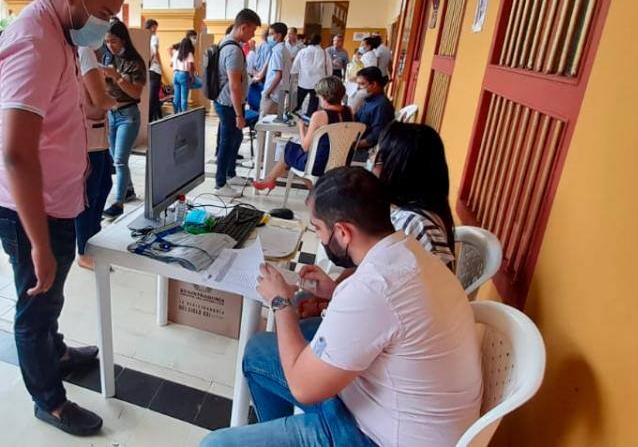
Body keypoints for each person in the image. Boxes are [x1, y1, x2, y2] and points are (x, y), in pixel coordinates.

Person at [200, 167, 483, 447]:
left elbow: (303, 387)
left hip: (376, 435)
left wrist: (280, 302)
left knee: (214, 445)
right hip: (403, 413)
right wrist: (335, 293)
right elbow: (386, 317)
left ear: (344, 232)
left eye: (319, 230)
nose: (321, 240)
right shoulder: (410, 253)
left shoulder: (373, 287)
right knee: (259, 351)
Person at [0, 0, 131, 437]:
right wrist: (41, 245)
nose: (107, 24)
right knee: (36, 301)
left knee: (51, 298)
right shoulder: (33, 41)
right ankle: (48, 400)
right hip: (32, 211)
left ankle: (58, 351)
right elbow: (16, 153)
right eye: (105, 12)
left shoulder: (61, 34)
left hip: (57, 201)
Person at [375, 123, 457, 270]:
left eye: (379, 159)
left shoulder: (413, 225)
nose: (373, 166)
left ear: (398, 169)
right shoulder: (416, 211)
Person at [252, 77, 352, 192]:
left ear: (324, 96)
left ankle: (313, 193)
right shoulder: (349, 111)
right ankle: (270, 179)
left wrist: (301, 127)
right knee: (293, 150)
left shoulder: (319, 116)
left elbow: (305, 146)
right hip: (342, 161)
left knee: (290, 148)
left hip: (320, 164)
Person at [100, 20, 148, 220]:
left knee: (120, 160)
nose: (110, 45)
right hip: (111, 114)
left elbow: (136, 94)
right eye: (107, 41)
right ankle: (128, 191)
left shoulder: (134, 63)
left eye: (114, 41)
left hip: (128, 115)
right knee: (116, 159)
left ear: (123, 40)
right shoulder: (106, 57)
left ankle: (118, 203)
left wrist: (116, 76)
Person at [74, 46, 115, 271]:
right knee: (88, 195)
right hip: (87, 138)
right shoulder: (84, 51)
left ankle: (94, 237)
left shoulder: (92, 57)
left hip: (98, 137)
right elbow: (99, 103)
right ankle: (84, 250)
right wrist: (116, 97)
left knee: (104, 185)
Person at [213, 8, 262, 198]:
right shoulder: (233, 50)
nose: (252, 35)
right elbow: (234, 86)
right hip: (229, 104)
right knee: (227, 142)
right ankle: (220, 184)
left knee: (235, 139)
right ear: (243, 27)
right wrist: (239, 115)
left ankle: (230, 174)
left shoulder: (225, 42)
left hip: (228, 102)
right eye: (252, 31)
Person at [352, 66, 394, 161]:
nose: (358, 88)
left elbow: (375, 136)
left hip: (367, 151)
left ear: (374, 84)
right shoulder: (369, 100)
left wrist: (353, 145)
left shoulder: (380, 106)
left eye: (362, 84)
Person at [290, 34, 333, 116]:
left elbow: (295, 67)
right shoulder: (324, 53)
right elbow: (329, 68)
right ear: (320, 42)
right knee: (313, 102)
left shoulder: (303, 51)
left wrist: (293, 78)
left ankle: (293, 116)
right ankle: (309, 118)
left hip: (303, 82)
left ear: (309, 41)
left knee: (298, 101)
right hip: (318, 83)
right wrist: (327, 78)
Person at [262, 22, 291, 117]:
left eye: (271, 34)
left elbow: (278, 75)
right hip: (281, 93)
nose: (268, 37)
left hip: (273, 94)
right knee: (276, 124)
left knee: (263, 123)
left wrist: (268, 92)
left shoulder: (277, 51)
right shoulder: (285, 50)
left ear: (278, 36)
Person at [171, 35, 198, 114]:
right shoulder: (189, 54)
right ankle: (184, 114)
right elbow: (190, 66)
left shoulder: (176, 53)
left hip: (175, 74)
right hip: (183, 75)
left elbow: (171, 64)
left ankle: (175, 113)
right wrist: (192, 76)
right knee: (184, 97)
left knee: (176, 96)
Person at [145, 19, 163, 122]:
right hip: (154, 69)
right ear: (152, 27)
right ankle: (150, 119)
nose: (156, 30)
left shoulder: (142, 37)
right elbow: (155, 52)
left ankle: (159, 117)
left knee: (153, 96)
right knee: (153, 95)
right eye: (156, 27)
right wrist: (160, 65)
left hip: (147, 69)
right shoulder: (154, 37)